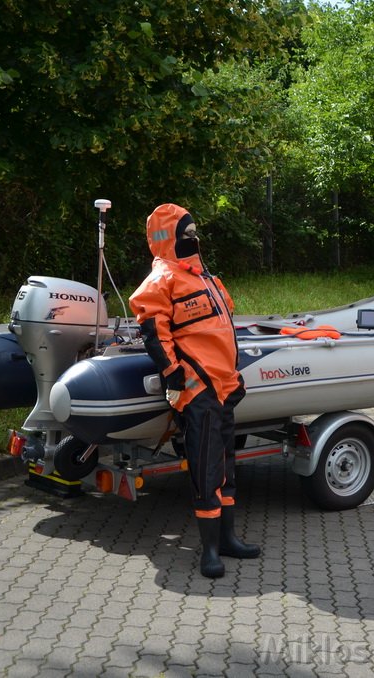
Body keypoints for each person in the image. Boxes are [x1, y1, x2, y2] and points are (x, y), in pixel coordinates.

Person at [129, 203, 260, 579]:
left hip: (224, 387)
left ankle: (229, 538)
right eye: (186, 232)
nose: (194, 237)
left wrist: (233, 376)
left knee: (227, 468)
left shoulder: (205, 278)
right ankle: (210, 551)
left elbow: (222, 329)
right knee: (206, 471)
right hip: (198, 390)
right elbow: (155, 333)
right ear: (169, 237)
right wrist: (173, 375)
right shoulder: (162, 279)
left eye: (195, 231)